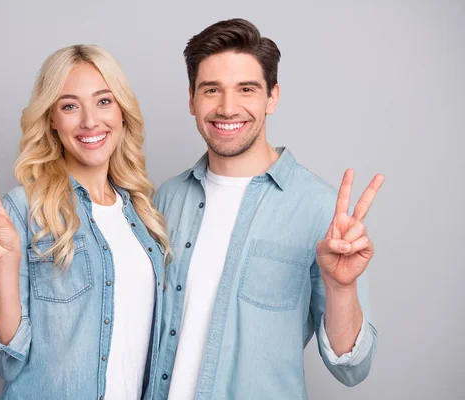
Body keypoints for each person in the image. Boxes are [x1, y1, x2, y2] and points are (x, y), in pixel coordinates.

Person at [153, 19, 384, 399]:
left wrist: (342, 288)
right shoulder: (166, 199)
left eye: (247, 89)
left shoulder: (319, 208)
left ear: (272, 97)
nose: (228, 108)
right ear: (192, 99)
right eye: (212, 90)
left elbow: (352, 367)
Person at [0, 44, 170, 400]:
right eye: (70, 106)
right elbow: (6, 360)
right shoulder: (23, 208)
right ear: (51, 119)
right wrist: (5, 261)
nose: (90, 120)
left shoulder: (142, 214)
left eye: (104, 101)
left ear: (123, 112)